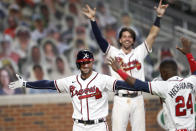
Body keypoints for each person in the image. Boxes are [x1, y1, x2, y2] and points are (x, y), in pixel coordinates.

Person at [82, 1, 168, 131]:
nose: (127, 38)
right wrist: (93, 20)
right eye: (124, 36)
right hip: (120, 99)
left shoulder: (139, 52)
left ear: (133, 40)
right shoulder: (113, 52)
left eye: (130, 36)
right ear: (120, 40)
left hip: (138, 98)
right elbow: (99, 39)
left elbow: (153, 35)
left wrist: (159, 17)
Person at [8, 49, 142, 131]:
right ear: (78, 64)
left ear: (92, 62)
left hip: (98, 126)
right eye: (82, 62)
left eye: (88, 61)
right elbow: (48, 84)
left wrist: (145, 86)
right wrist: (25, 83)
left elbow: (126, 84)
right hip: (78, 127)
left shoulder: (103, 79)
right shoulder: (70, 81)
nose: (85, 64)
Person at [108, 37, 196, 131]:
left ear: (164, 73)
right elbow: (195, 72)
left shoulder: (164, 86)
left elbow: (138, 85)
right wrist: (189, 54)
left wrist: (120, 71)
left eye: (161, 73)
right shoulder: (190, 81)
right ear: (176, 70)